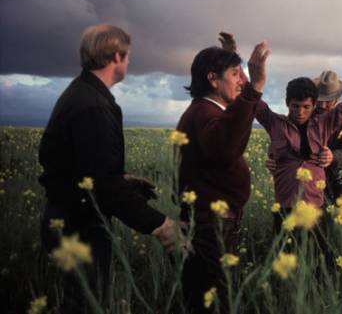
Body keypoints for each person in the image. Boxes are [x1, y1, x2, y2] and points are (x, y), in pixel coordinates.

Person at [38, 24, 182, 313]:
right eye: (127, 56)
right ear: (116, 56)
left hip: (69, 217)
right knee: (83, 305)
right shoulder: (93, 105)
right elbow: (102, 184)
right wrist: (160, 225)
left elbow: (81, 168)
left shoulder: (81, 94)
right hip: (79, 225)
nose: (129, 62)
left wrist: (123, 179)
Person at [176, 34, 269, 314]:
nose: (240, 80)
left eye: (241, 75)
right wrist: (255, 87)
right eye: (234, 74)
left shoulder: (206, 110)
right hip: (210, 229)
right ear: (213, 79)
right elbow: (224, 146)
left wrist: (231, 56)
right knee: (214, 303)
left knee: (210, 298)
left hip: (210, 226)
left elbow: (226, 132)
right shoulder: (205, 113)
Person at [255, 44, 342, 230]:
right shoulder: (277, 124)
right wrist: (273, 158)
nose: (301, 112)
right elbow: (253, 101)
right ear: (288, 104)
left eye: (306, 107)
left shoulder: (330, 124)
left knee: (318, 252)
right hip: (286, 204)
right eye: (296, 106)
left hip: (320, 196)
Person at [266, 70, 342, 205]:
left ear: (337, 100)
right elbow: (281, 137)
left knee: (324, 224)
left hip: (329, 182)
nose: (323, 105)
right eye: (320, 100)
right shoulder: (303, 117)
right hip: (298, 185)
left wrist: (333, 157)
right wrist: (272, 158)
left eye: (328, 101)